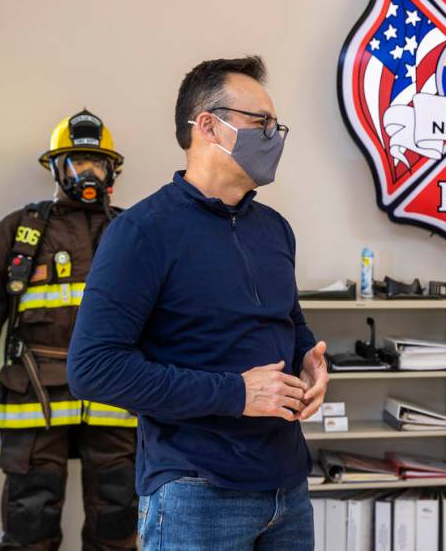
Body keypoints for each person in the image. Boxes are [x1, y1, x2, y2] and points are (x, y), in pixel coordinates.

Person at [67, 55, 328, 551]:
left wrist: (310, 358)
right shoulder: (141, 233)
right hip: (196, 493)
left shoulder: (275, 229)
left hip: (287, 489)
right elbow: (93, 368)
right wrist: (235, 394)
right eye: (262, 123)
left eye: (277, 125)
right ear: (209, 126)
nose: (275, 136)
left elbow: (288, 320)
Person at [0, 110, 138, 551]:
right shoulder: (18, 232)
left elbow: (166, 315)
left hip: (113, 397)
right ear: (57, 169)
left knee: (118, 517)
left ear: (111, 170)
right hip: (33, 393)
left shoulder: (133, 232)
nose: (88, 173)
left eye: (96, 163)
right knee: (30, 516)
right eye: (77, 163)